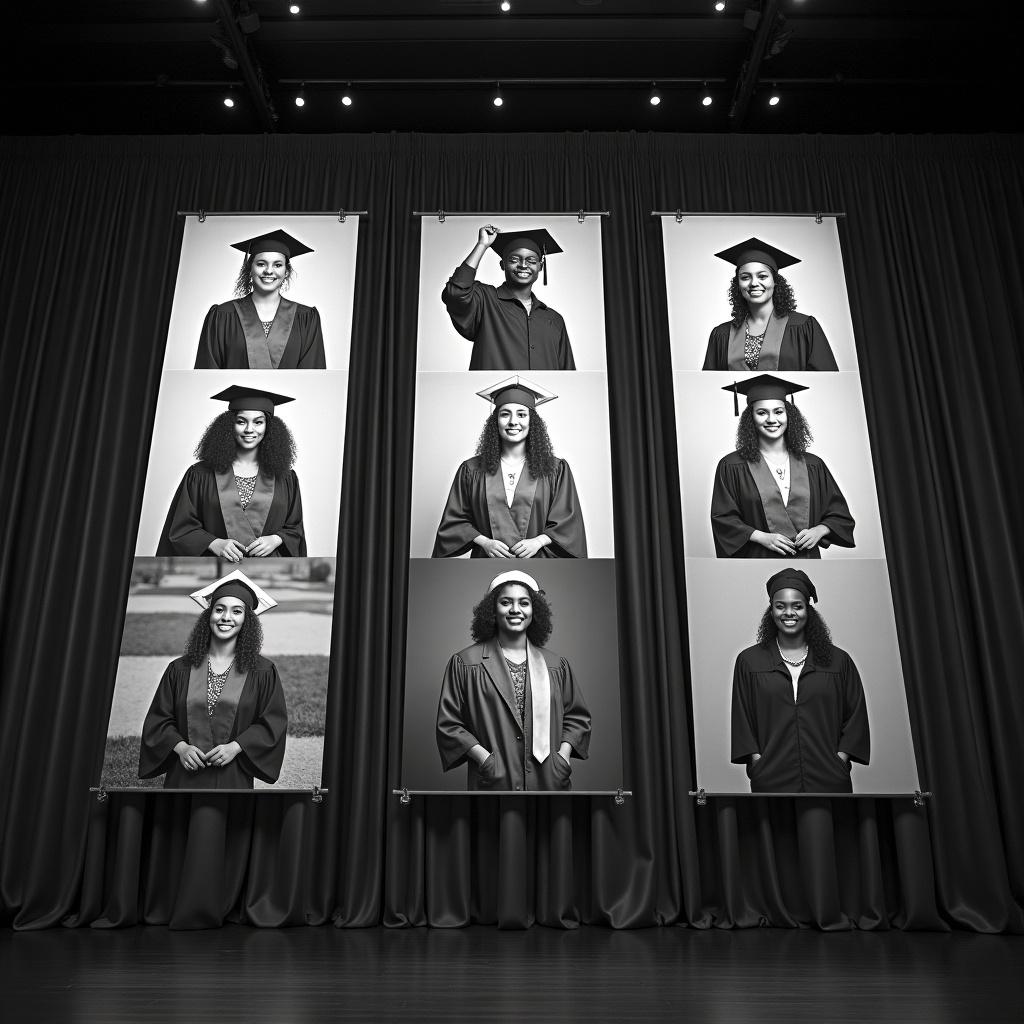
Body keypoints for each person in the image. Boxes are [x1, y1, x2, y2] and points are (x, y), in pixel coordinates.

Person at [436, 570, 591, 791]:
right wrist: (484, 759)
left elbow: (577, 718)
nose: (515, 610)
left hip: (549, 779)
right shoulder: (465, 663)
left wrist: (563, 757)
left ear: (534, 610)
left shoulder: (556, 665)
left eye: (524, 603)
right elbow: (449, 724)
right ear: (492, 610)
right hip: (495, 779)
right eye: (506, 602)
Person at [139, 569, 288, 789]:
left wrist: (236, 746)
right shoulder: (179, 669)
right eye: (219, 609)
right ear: (209, 615)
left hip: (233, 777)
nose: (226, 617)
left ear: (247, 620)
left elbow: (272, 723)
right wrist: (181, 748)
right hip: (183, 776)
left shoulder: (263, 671)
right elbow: (158, 720)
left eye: (237, 611)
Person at [730, 567, 870, 793]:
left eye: (797, 606)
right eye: (780, 606)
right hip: (771, 776)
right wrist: (757, 761)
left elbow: (855, 717)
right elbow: (743, 719)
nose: (789, 612)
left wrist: (840, 759)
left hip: (828, 776)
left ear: (808, 609)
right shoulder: (749, 661)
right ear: (771, 610)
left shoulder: (838, 661)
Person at [432, 376, 588, 558]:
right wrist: (485, 542)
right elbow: (454, 521)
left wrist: (538, 541)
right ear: (495, 421)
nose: (513, 421)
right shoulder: (471, 469)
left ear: (532, 422)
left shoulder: (555, 469)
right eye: (505, 414)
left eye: (521, 414)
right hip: (486, 562)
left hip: (539, 562)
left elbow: (569, 522)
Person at [710, 374, 855, 558]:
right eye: (762, 412)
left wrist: (820, 530)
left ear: (789, 415)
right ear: (750, 418)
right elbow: (723, 518)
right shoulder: (732, 466)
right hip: (757, 559)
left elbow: (839, 515)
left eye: (778, 411)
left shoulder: (813, 465)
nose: (771, 419)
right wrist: (761, 537)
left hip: (808, 559)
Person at [157, 385, 306, 559]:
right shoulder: (200, 474)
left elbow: (295, 527)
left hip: (271, 570)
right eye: (241, 421)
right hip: (215, 569)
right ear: (229, 425)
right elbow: (181, 528)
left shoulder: (286, 478)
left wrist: (277, 539)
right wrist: (213, 543)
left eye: (258, 422)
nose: (249, 429)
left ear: (269, 427)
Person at [441, 225, 575, 370]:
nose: (523, 265)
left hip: (543, 393)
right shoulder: (486, 300)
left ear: (540, 267)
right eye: (514, 260)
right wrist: (482, 245)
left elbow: (568, 373)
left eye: (531, 260)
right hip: (495, 392)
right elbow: (455, 293)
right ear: (502, 264)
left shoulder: (555, 320)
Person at [195, 229, 326, 369]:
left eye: (278, 265)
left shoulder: (306, 318)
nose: (269, 271)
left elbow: (312, 375)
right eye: (261, 264)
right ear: (250, 269)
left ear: (286, 272)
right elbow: (207, 372)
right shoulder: (221, 315)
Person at [702, 237, 838, 372]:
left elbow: (826, 381)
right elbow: (708, 386)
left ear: (775, 281)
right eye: (745, 277)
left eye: (762, 276)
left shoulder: (804, 326)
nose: (754, 283)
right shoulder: (721, 334)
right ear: (738, 285)